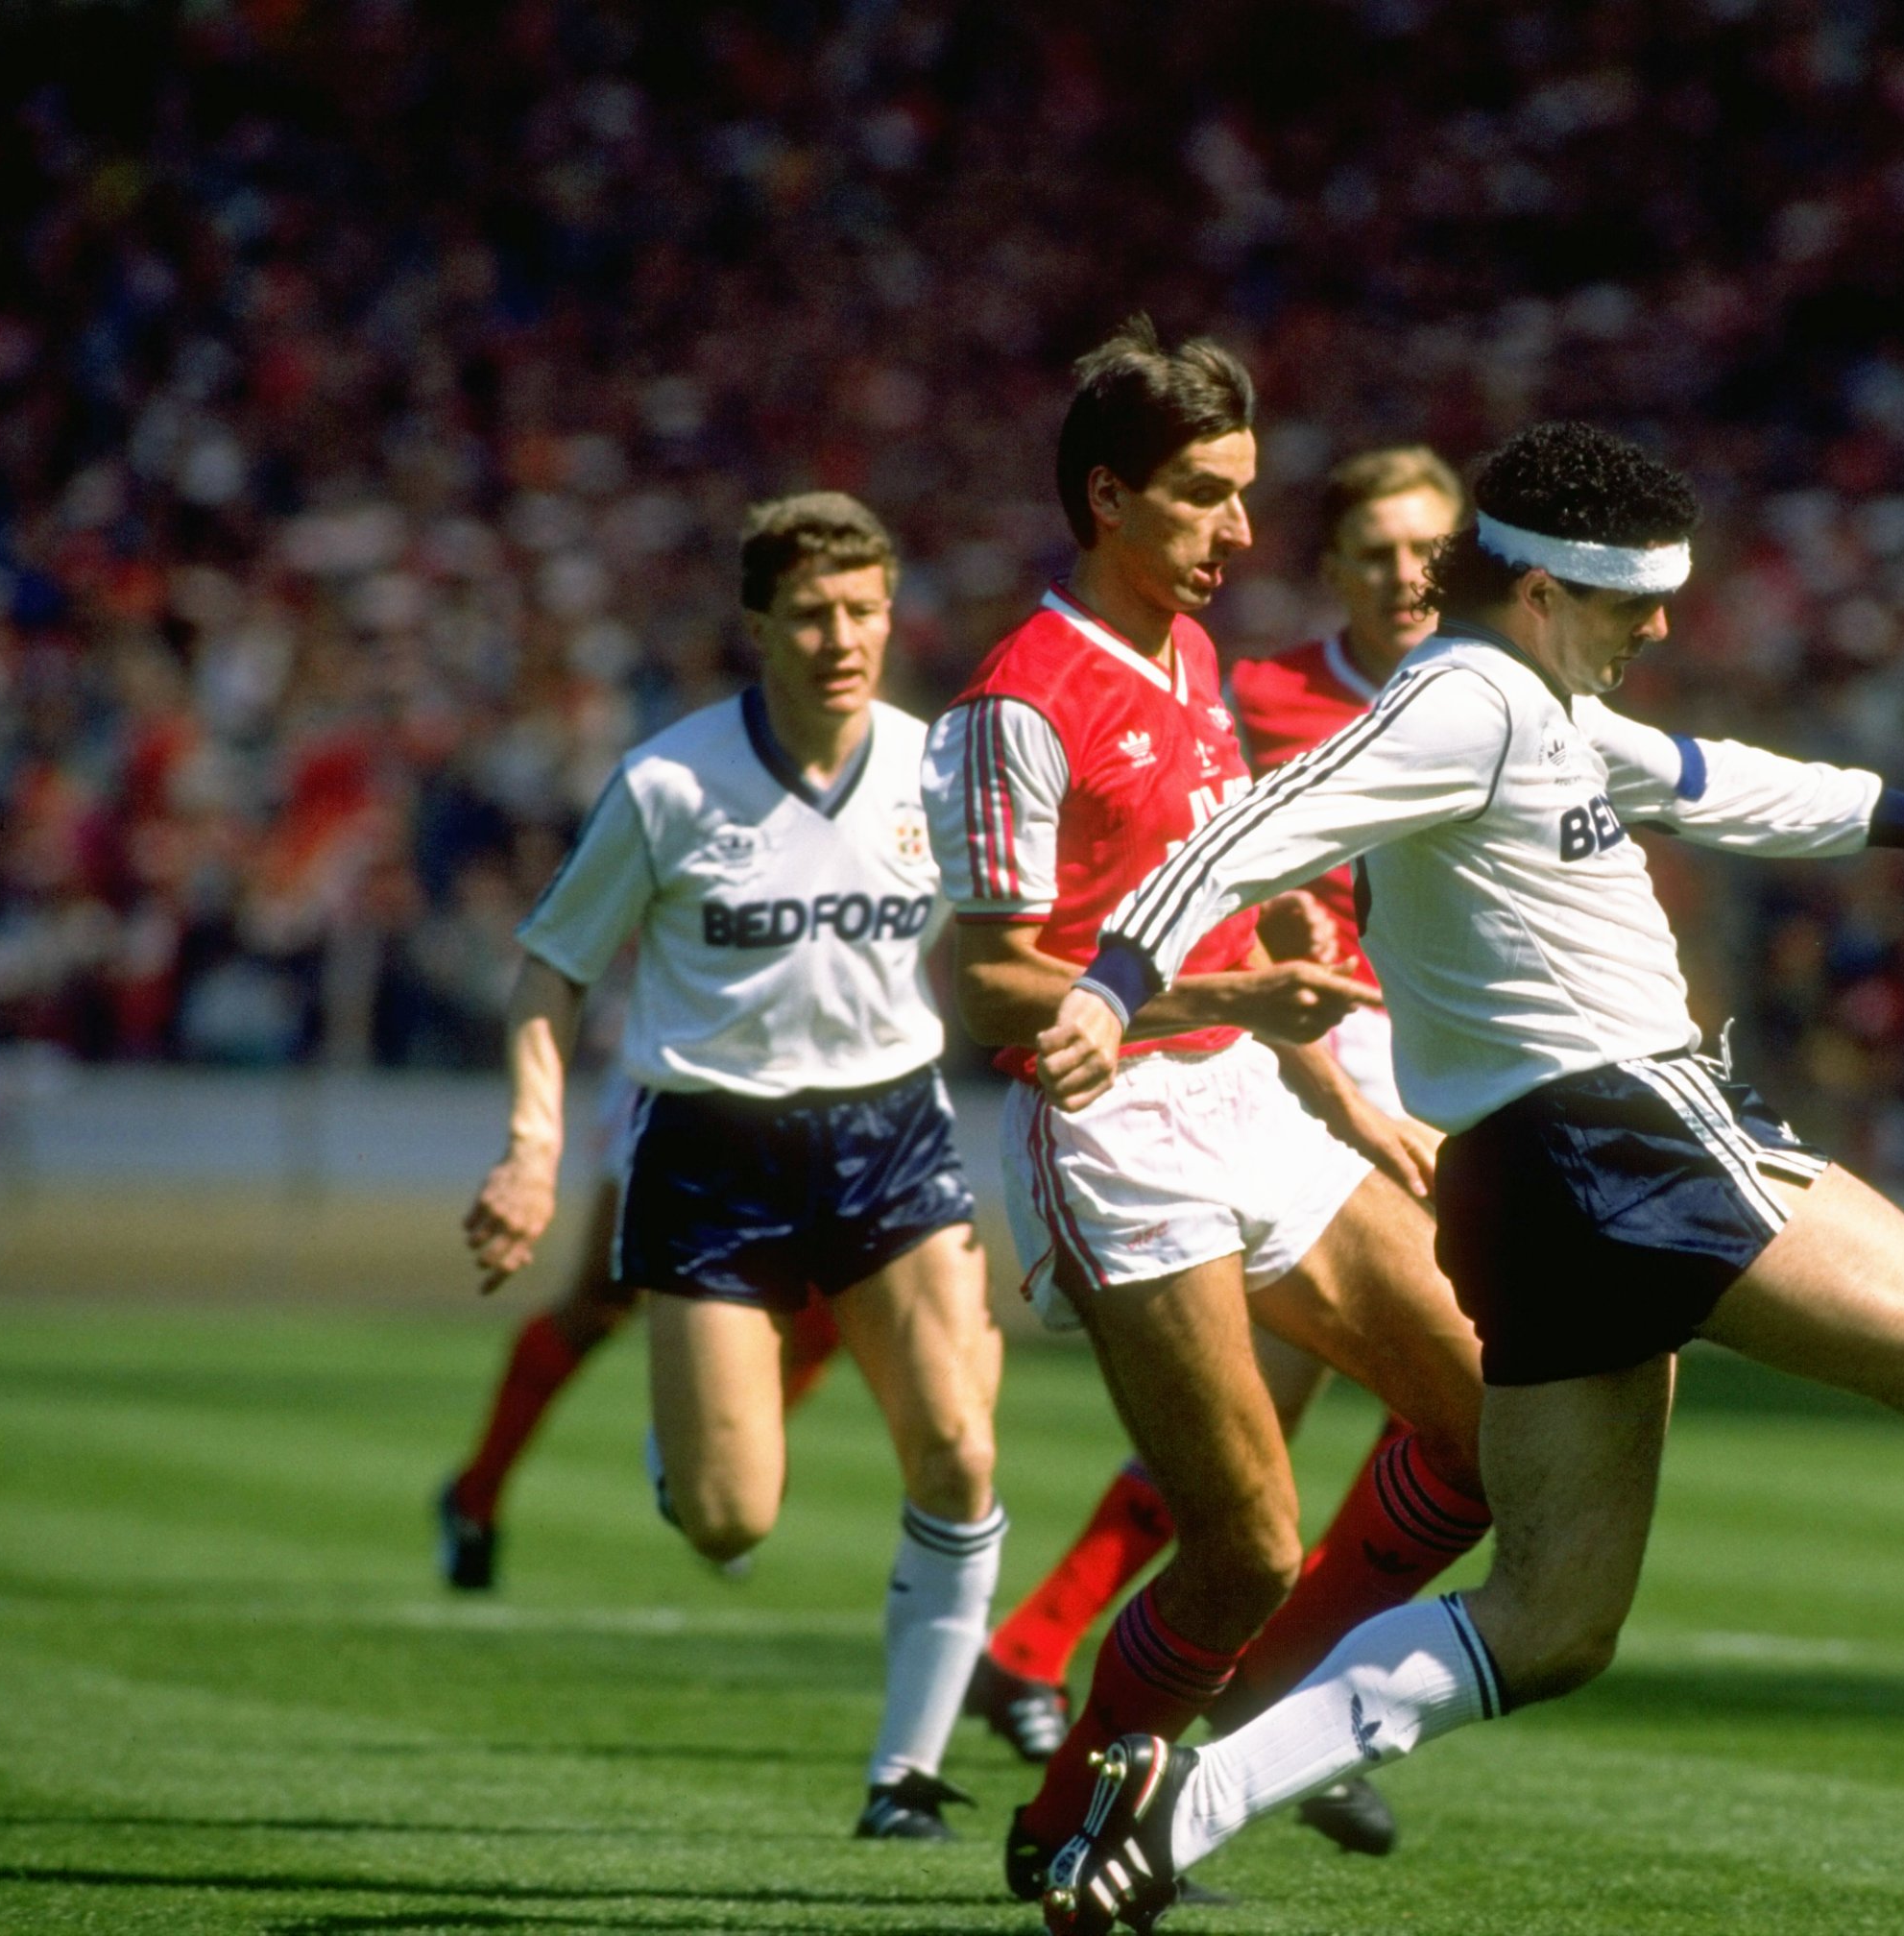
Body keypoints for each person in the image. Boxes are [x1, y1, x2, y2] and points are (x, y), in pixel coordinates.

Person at [1029, 422, 1904, 1933]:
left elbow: (1710, 781)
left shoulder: (1536, 703)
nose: (1665, 626)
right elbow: (1238, 833)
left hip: (1525, 1189)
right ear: (1549, 592)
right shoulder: (1464, 700)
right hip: (1630, 1131)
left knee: (1551, 1625)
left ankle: (1188, 1801)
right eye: (1640, 599)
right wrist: (1108, 987)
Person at [925, 322, 1496, 1897]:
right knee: (1241, 1543)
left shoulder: (1184, 654)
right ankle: (1064, 1829)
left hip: (1247, 1098)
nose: (1241, 533)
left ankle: (1230, 1742)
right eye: (1202, 497)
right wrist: (1249, 1002)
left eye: (1246, 494)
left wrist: (1317, 1065)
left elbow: (1202, 914)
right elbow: (987, 986)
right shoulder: (1016, 703)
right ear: (1106, 498)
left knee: (1486, 1420)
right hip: (1112, 1135)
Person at [462, 492, 1007, 1843]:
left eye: (865, 611)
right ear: (758, 623)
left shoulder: (939, 772)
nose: (842, 639)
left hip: (893, 1137)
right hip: (710, 1153)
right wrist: (532, 1157)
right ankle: (686, 1440)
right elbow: (551, 975)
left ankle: (904, 1778)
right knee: (725, 1522)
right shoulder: (667, 785)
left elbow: (1013, 950)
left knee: (957, 1447)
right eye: (813, 614)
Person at [436, 1070, 844, 1591]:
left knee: (826, 1317)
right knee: (603, 1299)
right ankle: (476, 1496)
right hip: (688, 1065)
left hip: (827, 1077)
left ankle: (706, 1449)